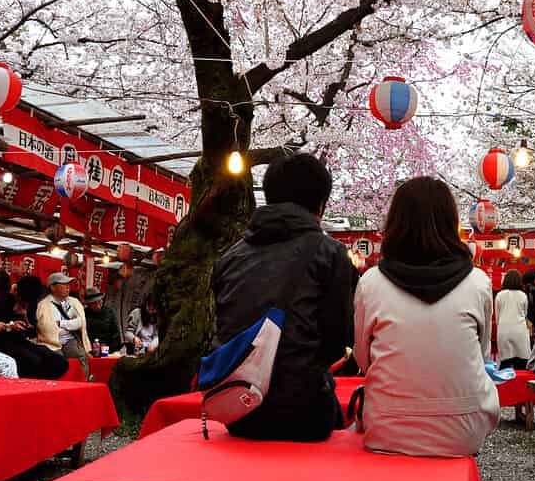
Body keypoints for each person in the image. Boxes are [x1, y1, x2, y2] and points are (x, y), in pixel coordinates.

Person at [211, 152, 356, 442]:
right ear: (320, 206)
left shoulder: (229, 257)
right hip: (304, 416)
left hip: (238, 412)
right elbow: (338, 339)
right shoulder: (331, 254)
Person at [354, 176, 499, 457]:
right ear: (450, 222)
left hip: (387, 428)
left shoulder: (371, 283)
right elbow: (479, 358)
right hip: (463, 428)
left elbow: (364, 358)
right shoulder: (478, 282)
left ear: (395, 222)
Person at [0, 271, 67, 379]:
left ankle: (44, 388)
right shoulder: (2, 299)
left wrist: (23, 316)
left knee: (58, 360)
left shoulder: (29, 302)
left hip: (19, 340)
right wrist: (8, 326)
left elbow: (31, 330)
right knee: (34, 361)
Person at [36, 273, 93, 380]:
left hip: (69, 339)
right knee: (57, 360)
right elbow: (47, 328)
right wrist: (71, 324)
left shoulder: (74, 302)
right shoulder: (43, 305)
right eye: (64, 284)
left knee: (81, 355)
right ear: (52, 287)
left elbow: (81, 322)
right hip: (51, 341)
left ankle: (84, 383)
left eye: (68, 284)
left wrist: (62, 323)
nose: (68, 287)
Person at [495, 270, 531, 369]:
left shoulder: (500, 295)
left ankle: (504, 383)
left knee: (505, 362)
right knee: (522, 362)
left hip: (503, 330)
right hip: (520, 331)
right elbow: (525, 314)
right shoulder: (523, 295)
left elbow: (497, 317)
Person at [84, 287, 122, 353]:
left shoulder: (109, 312)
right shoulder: (84, 314)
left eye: (99, 302)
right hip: (89, 348)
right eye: (94, 304)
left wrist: (107, 348)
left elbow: (115, 334)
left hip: (108, 348)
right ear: (88, 304)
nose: (98, 306)